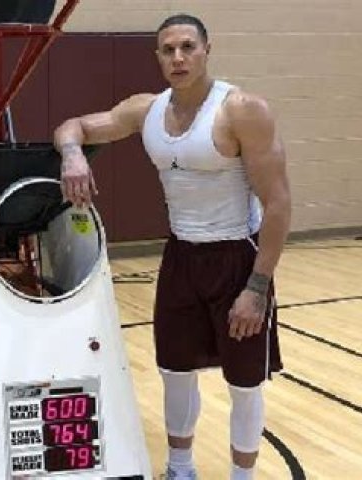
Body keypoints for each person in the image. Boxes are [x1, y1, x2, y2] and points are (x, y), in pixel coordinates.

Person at [54, 13, 291, 480]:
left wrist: (257, 286)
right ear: (158, 57)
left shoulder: (242, 110)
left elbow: (279, 204)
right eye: (168, 50)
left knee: (244, 383)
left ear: (207, 50)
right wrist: (73, 154)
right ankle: (180, 468)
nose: (178, 58)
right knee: (174, 372)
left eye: (188, 47)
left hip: (237, 258)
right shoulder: (146, 110)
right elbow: (72, 126)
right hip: (181, 256)